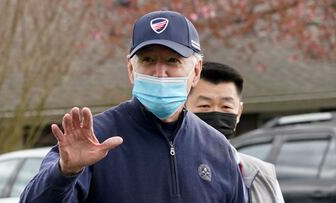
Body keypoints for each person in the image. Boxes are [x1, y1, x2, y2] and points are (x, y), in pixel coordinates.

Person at [20, 11, 245, 203]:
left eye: (172, 61)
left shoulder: (217, 148)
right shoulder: (93, 139)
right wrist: (64, 173)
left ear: (195, 72)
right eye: (147, 60)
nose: (159, 72)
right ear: (130, 70)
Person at [186, 61, 285, 203]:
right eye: (205, 106)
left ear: (239, 112)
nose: (216, 113)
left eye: (226, 106)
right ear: (183, 108)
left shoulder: (262, 175)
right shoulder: (166, 168)